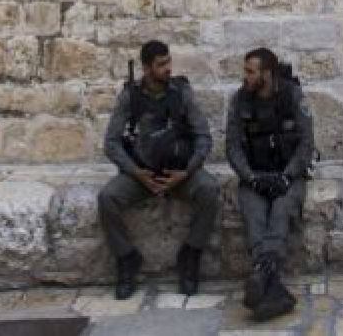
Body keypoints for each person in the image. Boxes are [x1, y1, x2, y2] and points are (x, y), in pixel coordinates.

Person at [99, 40, 219, 299]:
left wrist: (186, 172)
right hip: (143, 174)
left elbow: (203, 137)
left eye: (169, 62)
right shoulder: (130, 96)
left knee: (209, 189)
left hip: (179, 173)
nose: (168, 68)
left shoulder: (182, 92)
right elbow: (111, 142)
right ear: (146, 68)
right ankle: (127, 258)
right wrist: (135, 172)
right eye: (161, 64)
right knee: (107, 198)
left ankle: (190, 256)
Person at [227, 47, 311, 321]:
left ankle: (263, 278)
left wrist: (288, 175)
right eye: (246, 71)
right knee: (253, 215)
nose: (246, 77)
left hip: (288, 175)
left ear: (267, 73)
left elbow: (306, 143)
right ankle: (274, 290)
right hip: (255, 177)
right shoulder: (240, 100)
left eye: (251, 71)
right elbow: (233, 147)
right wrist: (250, 177)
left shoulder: (292, 96)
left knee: (281, 210)